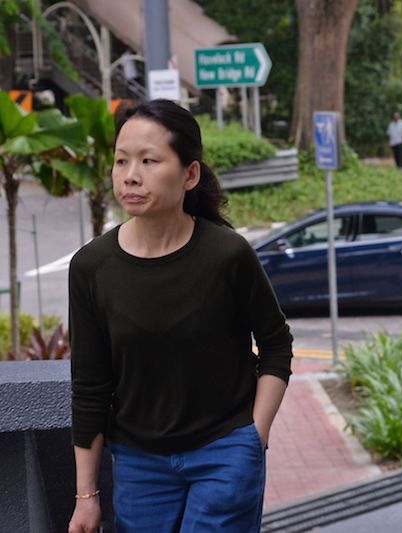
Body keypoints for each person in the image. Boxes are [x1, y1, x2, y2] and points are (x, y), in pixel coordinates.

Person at [68, 99, 293, 532]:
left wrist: (253, 437)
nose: (130, 174)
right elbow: (91, 386)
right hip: (138, 466)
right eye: (121, 160)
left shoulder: (227, 254)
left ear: (190, 174)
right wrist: (86, 495)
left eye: (149, 160)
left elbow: (276, 344)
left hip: (224, 453)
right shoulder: (91, 267)